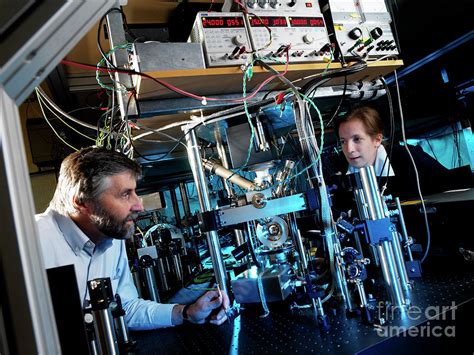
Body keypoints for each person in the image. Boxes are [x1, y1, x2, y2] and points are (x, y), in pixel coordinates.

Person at [35, 147, 229, 330]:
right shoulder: (29, 243)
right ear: (81, 202)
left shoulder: (111, 235)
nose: (139, 206)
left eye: (135, 191)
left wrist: (186, 312)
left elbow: (127, 308)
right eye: (125, 194)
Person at [336, 106, 454, 198]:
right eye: (343, 142)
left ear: (377, 140)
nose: (349, 149)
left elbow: (453, 187)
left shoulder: (409, 159)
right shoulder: (338, 176)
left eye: (357, 139)